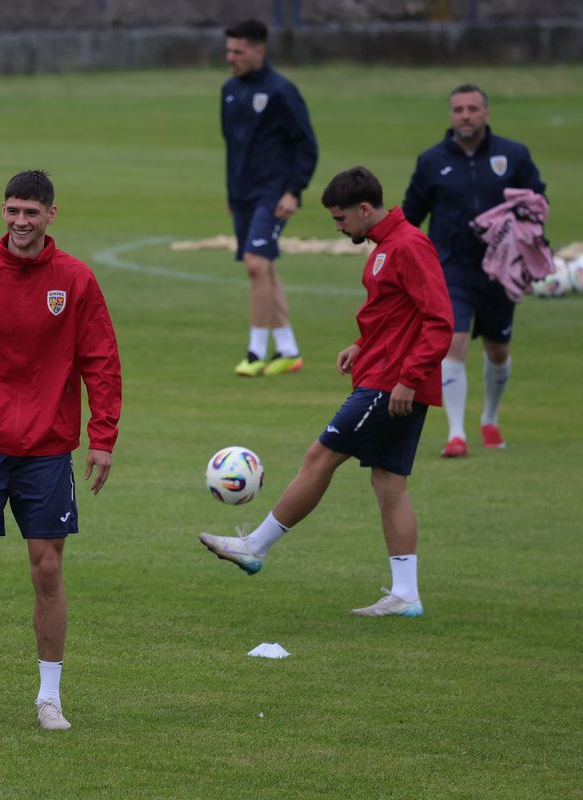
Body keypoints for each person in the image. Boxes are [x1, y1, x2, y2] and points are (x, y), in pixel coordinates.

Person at [199, 167, 453, 617]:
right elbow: (394, 313)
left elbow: (439, 320)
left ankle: (254, 547)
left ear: (364, 209)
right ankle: (406, 595)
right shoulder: (384, 248)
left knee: (320, 457)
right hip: (384, 373)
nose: (338, 228)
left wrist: (409, 379)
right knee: (389, 482)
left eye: (341, 220)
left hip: (391, 383)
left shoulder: (409, 246)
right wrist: (361, 344)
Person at [0, 170, 122, 730]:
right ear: (2, 212)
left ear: (51, 215)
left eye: (31, 212)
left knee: (47, 572)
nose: (20, 221)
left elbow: (101, 361)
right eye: (12, 211)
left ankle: (48, 695)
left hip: (46, 450)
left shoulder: (76, 281)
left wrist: (102, 437)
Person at [402, 84, 547, 457]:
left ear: (486, 113)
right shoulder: (431, 160)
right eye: (458, 109)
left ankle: (490, 418)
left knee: (498, 350)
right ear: (450, 115)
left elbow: (537, 202)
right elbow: (411, 214)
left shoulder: (513, 155)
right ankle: (456, 434)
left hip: (500, 273)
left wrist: (528, 235)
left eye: (472, 108)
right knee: (454, 343)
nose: (465, 115)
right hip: (451, 270)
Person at [220, 19, 319, 377]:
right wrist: (233, 194)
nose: (230, 57)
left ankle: (256, 351)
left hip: (274, 193)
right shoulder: (229, 91)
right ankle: (289, 349)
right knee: (266, 268)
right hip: (244, 196)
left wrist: (294, 191)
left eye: (238, 51)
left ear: (259, 51)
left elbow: (307, 145)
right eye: (228, 50)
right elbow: (233, 148)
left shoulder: (281, 91)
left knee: (255, 265)